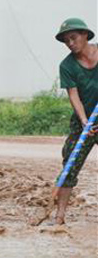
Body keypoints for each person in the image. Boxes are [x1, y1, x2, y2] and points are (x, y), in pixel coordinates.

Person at [53, 18, 97, 225]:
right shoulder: (67, 65)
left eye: (73, 37)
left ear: (85, 35)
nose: (70, 43)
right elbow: (74, 95)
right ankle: (59, 216)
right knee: (69, 165)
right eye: (66, 41)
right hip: (85, 122)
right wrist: (84, 121)